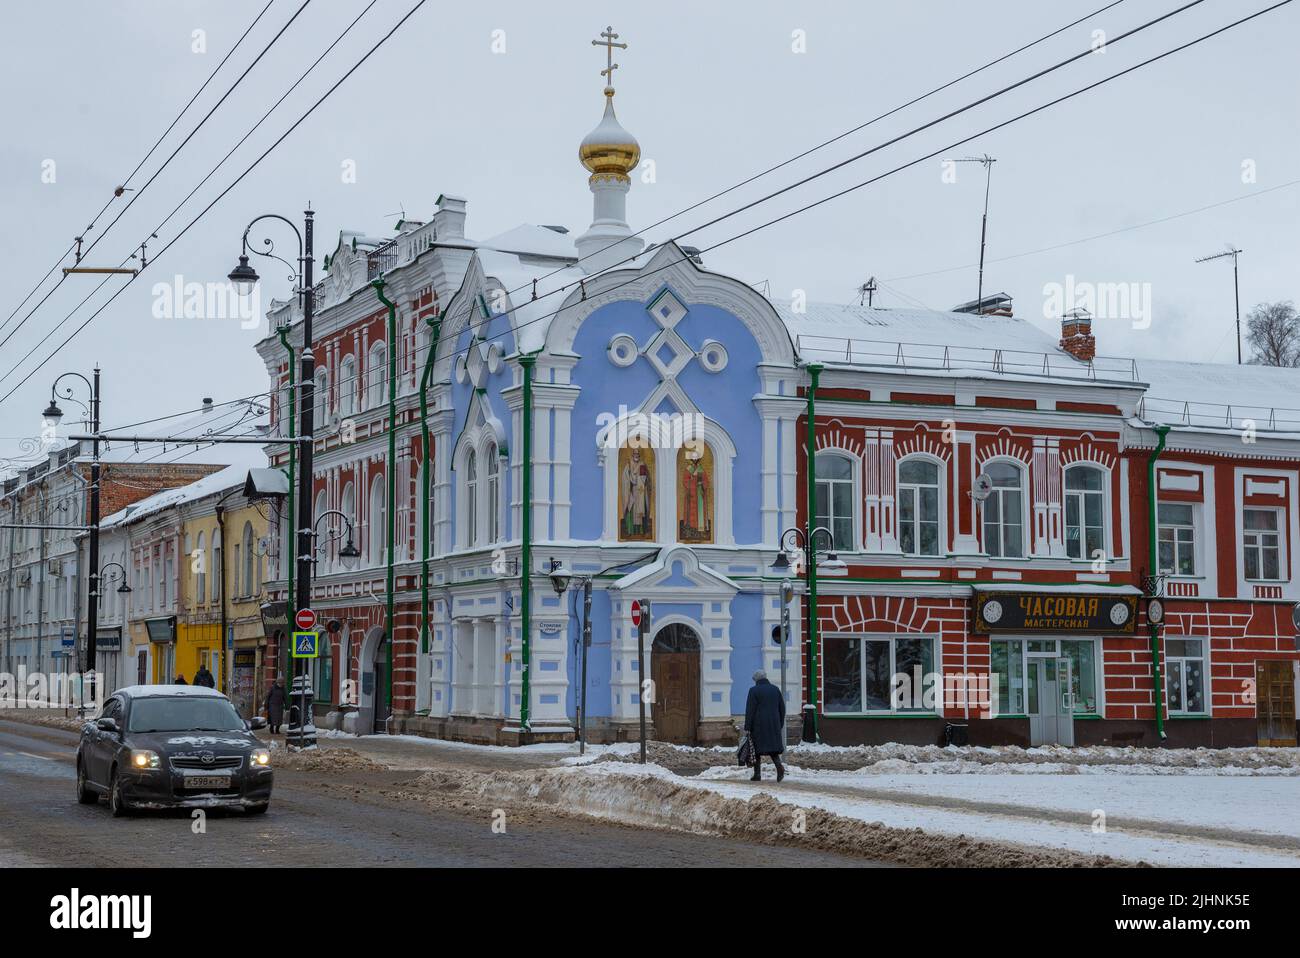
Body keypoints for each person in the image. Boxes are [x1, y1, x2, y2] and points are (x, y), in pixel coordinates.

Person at [743, 669, 786, 782]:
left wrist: (747, 727)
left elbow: (750, 710)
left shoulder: (754, 691)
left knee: (756, 749)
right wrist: (779, 723)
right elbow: (782, 708)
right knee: (773, 749)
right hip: (774, 724)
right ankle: (779, 767)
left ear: (756, 679)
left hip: (758, 725)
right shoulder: (775, 689)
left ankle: (757, 774)